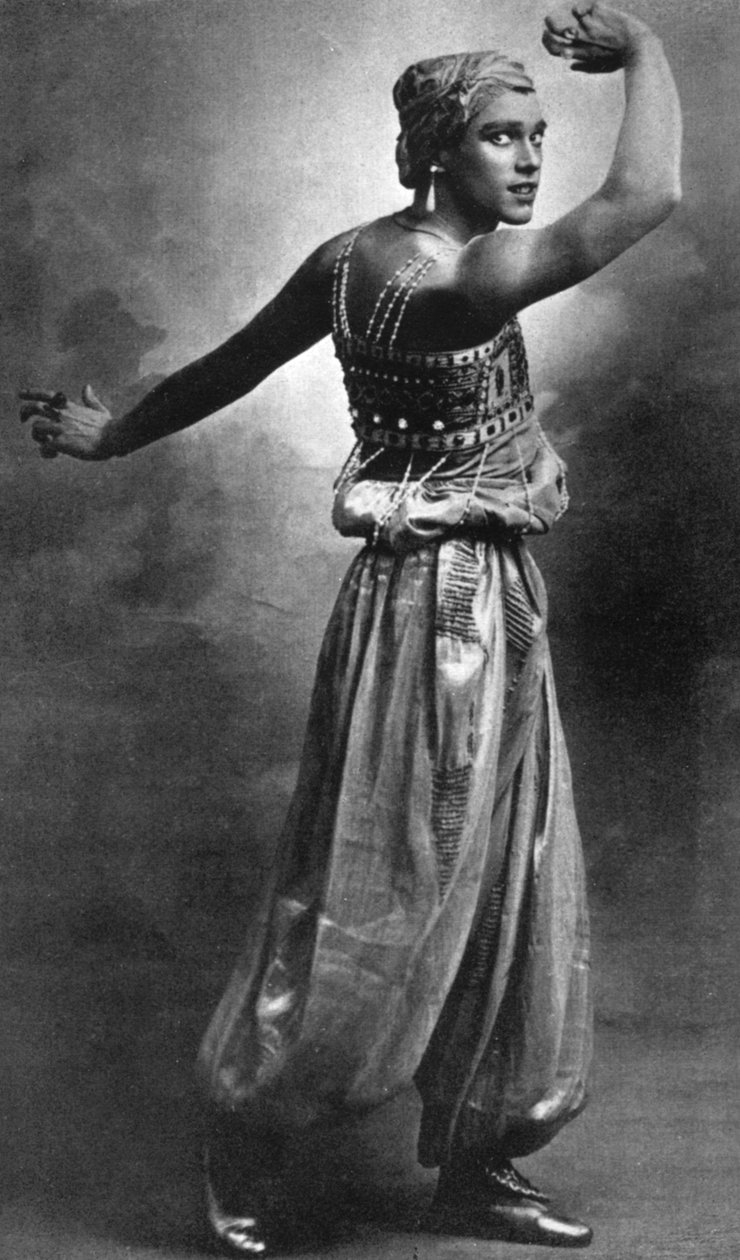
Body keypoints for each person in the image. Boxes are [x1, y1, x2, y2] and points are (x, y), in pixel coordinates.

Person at [21, 3, 681, 1253]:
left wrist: (117, 433)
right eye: (500, 136)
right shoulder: (457, 279)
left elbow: (232, 364)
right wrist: (644, 50)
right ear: (436, 149)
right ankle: (248, 1129)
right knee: (392, 877)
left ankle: (475, 1162)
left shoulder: (348, 259)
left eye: (537, 135)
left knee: (504, 869)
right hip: (436, 612)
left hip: (468, 600)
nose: (529, 159)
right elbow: (640, 199)